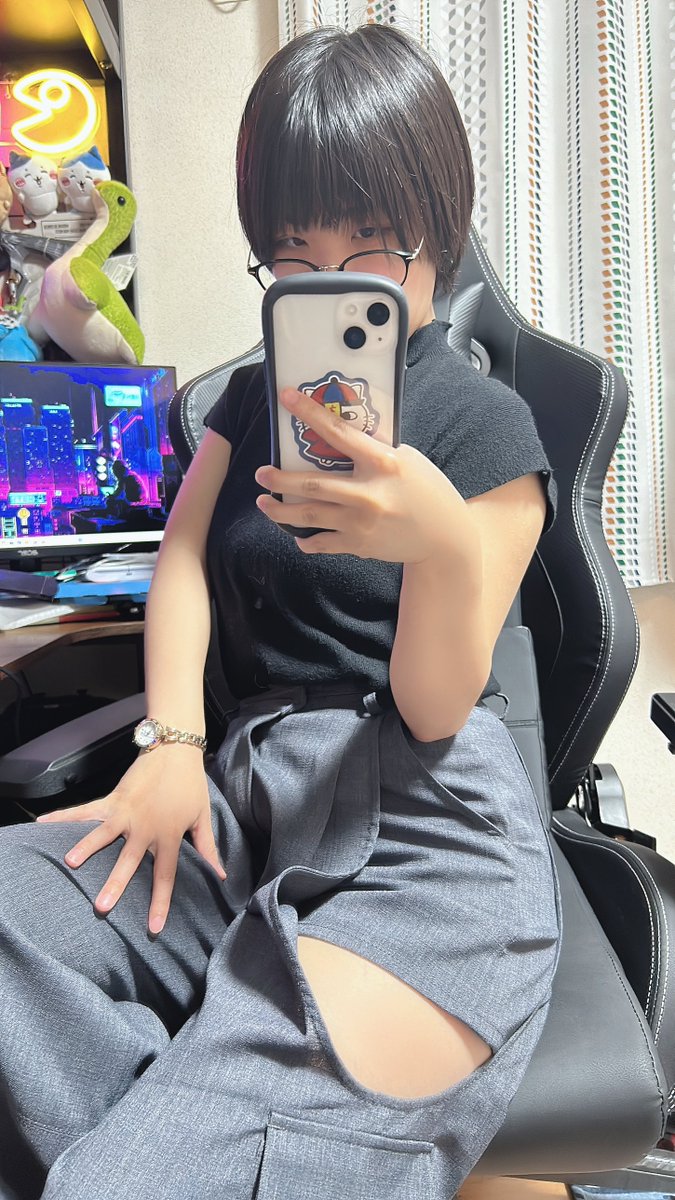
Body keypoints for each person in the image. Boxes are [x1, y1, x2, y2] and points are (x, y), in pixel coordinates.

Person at [0, 24, 560, 1200]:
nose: (331, 285)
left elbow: (435, 705)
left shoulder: (491, 431)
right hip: (238, 804)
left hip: (425, 832)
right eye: (295, 260)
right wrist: (170, 743)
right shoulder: (251, 398)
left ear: (438, 234)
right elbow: (183, 560)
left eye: (371, 251)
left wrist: (439, 545)